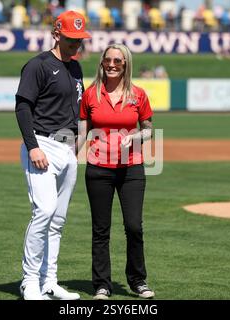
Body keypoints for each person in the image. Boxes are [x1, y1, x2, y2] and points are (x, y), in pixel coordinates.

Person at [15, 10, 91, 300]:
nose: (76, 45)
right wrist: (32, 146)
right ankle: (30, 282)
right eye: (71, 39)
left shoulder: (76, 68)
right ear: (56, 34)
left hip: (67, 149)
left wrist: (77, 147)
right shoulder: (38, 66)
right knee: (44, 211)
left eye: (80, 40)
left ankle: (50, 281)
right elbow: (23, 107)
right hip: (42, 145)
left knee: (58, 219)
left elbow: (76, 111)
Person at [78, 44, 155, 300]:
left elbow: (148, 129)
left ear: (126, 65)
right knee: (101, 229)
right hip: (98, 168)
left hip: (132, 168)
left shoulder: (138, 95)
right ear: (101, 62)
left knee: (134, 226)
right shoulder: (91, 95)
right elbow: (81, 132)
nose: (112, 64)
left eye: (118, 61)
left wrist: (137, 136)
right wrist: (66, 155)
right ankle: (102, 285)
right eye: (108, 60)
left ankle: (137, 280)